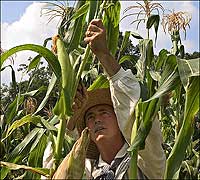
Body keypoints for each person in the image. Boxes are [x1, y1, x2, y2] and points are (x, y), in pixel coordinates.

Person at [43, 19, 166, 179]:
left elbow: (134, 111)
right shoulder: (85, 171)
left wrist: (103, 54)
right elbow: (53, 170)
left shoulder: (144, 160)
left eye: (104, 112)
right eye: (90, 117)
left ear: (120, 119)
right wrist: (69, 116)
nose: (97, 120)